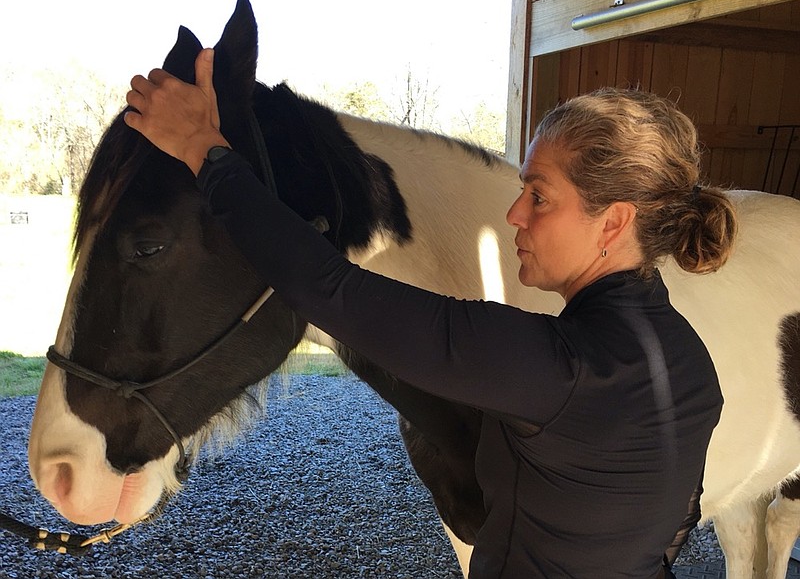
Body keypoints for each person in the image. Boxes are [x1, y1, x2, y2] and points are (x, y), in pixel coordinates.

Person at [124, 48, 736, 578]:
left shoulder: (557, 367)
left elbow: (327, 288)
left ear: (616, 220)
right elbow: (676, 519)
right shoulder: (690, 361)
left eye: (540, 195)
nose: (515, 214)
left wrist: (205, 150)